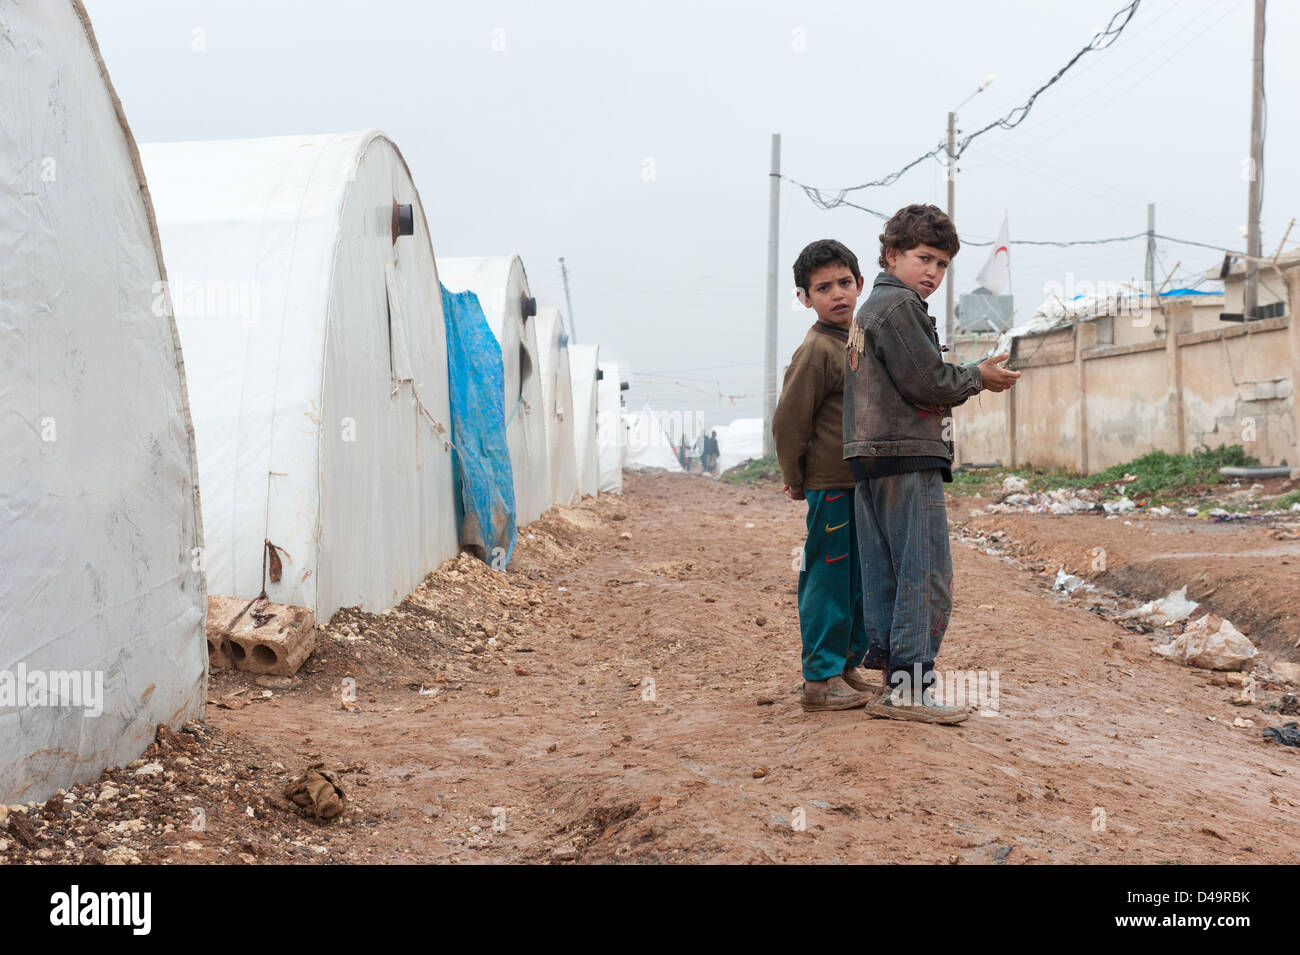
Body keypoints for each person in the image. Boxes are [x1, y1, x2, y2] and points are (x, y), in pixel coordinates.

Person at [843, 204, 1020, 724]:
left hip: (870, 460)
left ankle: (894, 685)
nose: (933, 273)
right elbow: (927, 383)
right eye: (924, 259)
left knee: (888, 574)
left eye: (942, 265)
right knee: (924, 573)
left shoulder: (872, 307)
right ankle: (909, 690)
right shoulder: (898, 309)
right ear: (892, 254)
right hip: (904, 457)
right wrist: (976, 375)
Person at [773, 239, 875, 712]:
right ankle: (819, 679)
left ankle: (845, 667)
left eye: (844, 283)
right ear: (804, 298)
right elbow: (790, 420)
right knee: (827, 579)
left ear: (859, 283)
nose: (837, 294)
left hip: (860, 483)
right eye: (822, 287)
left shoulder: (856, 340)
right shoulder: (816, 350)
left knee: (857, 580)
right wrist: (795, 477)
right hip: (830, 485)